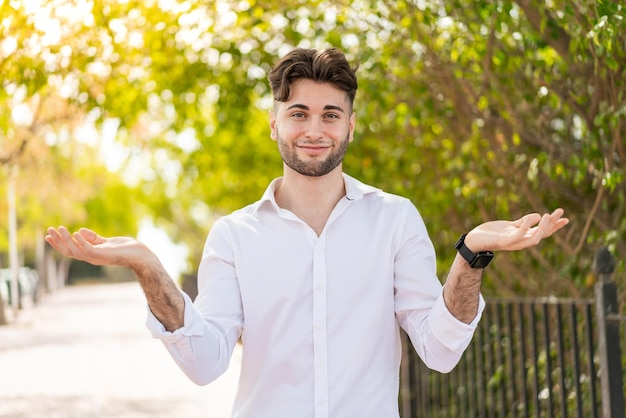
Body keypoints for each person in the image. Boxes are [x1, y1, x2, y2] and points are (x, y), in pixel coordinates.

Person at [45, 48, 569, 418]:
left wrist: (470, 256)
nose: (314, 129)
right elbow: (205, 364)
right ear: (274, 123)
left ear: (350, 125)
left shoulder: (395, 219)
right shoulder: (233, 236)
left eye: (329, 114)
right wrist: (148, 266)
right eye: (298, 113)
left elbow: (440, 350)